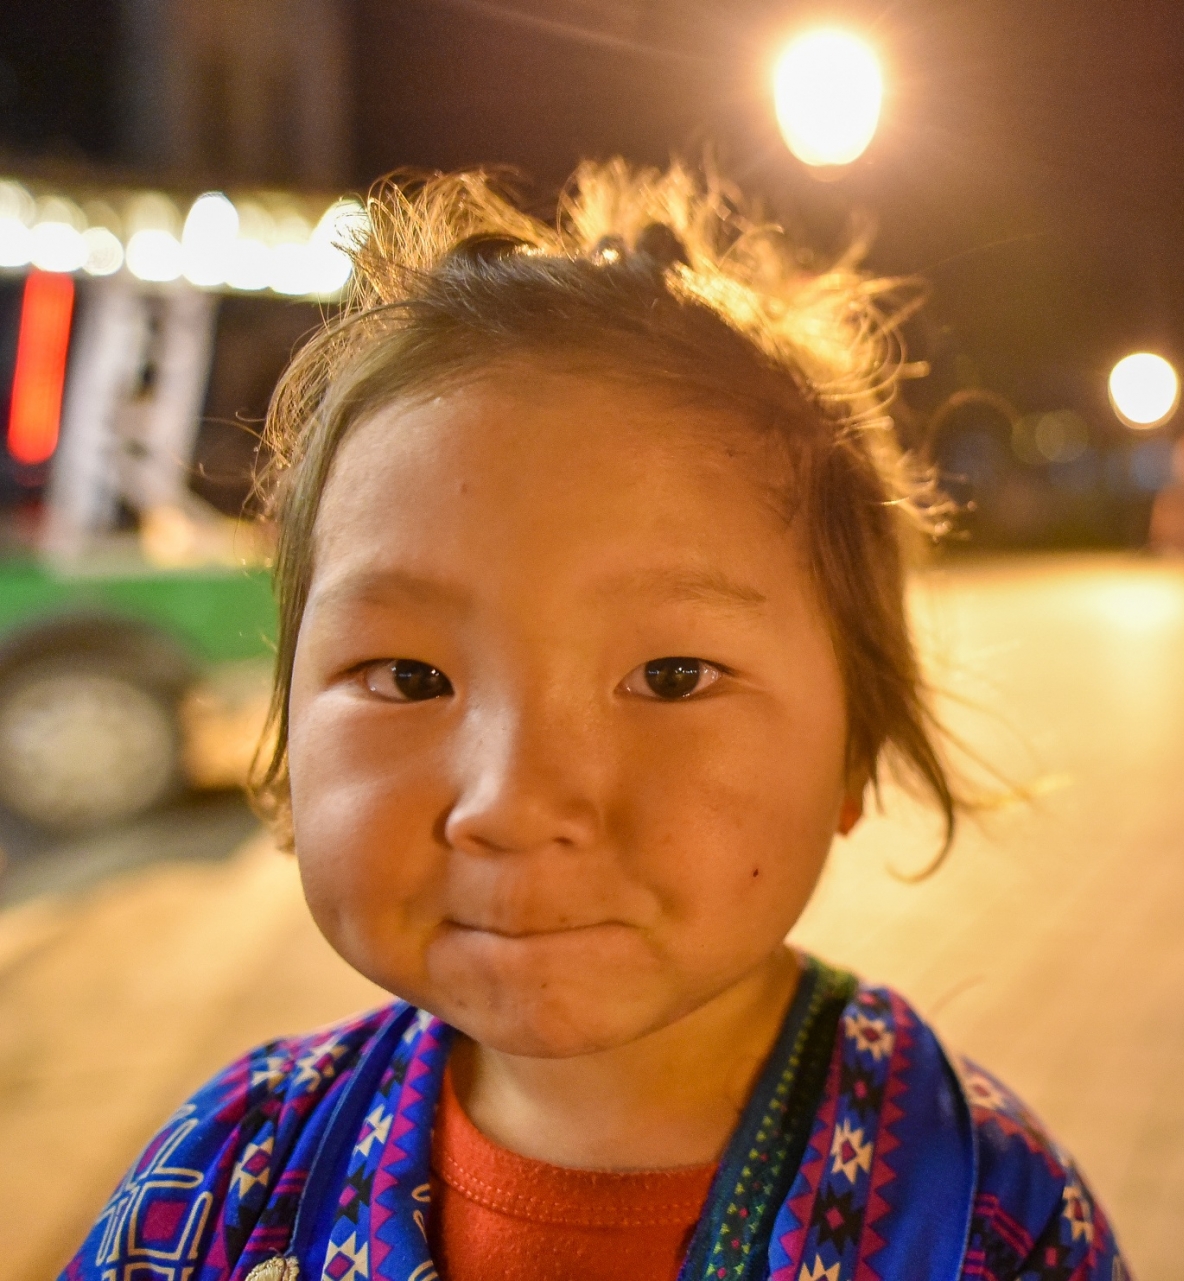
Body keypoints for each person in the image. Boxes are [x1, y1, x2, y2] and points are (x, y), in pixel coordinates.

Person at [62, 161, 1124, 1281]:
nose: (513, 805)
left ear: (855, 744)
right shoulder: (230, 1176)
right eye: (410, 678)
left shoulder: (986, 1217)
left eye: (671, 676)